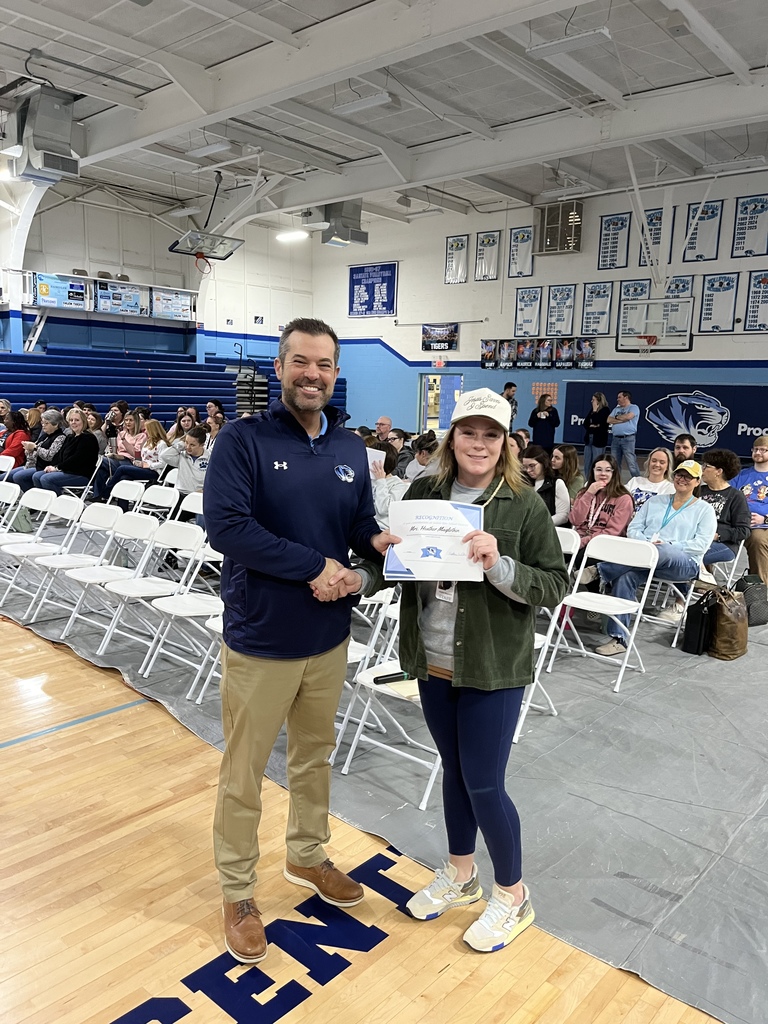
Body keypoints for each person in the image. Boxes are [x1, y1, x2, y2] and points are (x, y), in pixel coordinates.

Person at [334, 387, 568, 952]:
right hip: (432, 657)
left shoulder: (524, 504)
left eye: (492, 435)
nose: (479, 443)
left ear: (506, 443)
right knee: (455, 772)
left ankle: (513, 896)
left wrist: (501, 563)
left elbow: (555, 585)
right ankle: (462, 876)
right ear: (452, 437)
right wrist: (364, 575)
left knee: (486, 782)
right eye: (469, 432)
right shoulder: (423, 493)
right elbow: (395, 564)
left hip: (492, 665)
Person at [202, 317, 394, 966]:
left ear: (336, 373)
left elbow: (361, 523)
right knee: (244, 772)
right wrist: (313, 567)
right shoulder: (242, 440)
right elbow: (226, 528)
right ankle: (237, 892)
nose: (313, 374)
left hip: (328, 637)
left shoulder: (348, 447)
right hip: (261, 639)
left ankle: (307, 858)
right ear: (280, 367)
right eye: (301, 362)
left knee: (314, 758)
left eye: (325, 365)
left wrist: (380, 549)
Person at [596, 461, 717, 654]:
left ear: (697, 481)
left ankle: (600, 571)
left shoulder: (704, 510)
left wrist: (667, 546)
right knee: (626, 577)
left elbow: (701, 544)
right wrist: (647, 544)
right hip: (646, 559)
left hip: (684, 563)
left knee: (664, 551)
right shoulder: (655, 502)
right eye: (679, 474)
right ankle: (619, 639)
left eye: (687, 476)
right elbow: (634, 528)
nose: (682, 479)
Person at [569, 455, 634, 570]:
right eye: (599, 469)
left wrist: (584, 541)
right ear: (592, 471)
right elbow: (575, 520)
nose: (603, 474)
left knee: (582, 557)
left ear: (614, 474)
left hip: (605, 542)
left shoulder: (623, 498)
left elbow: (612, 532)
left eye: (608, 470)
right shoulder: (584, 493)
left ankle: (597, 587)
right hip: (579, 538)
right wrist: (589, 494)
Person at [699, 449, 751, 579]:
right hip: (696, 539)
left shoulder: (736, 496)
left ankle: (685, 594)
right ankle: (703, 583)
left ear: (719, 471)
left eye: (706, 466)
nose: (702, 469)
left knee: (691, 556)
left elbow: (743, 531)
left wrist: (717, 536)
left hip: (724, 544)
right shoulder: (698, 491)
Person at [32, 407, 100, 495]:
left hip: (81, 474)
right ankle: (43, 504)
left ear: (83, 421)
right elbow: (60, 456)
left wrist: (57, 468)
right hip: (66, 470)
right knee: (36, 476)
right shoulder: (70, 437)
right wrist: (52, 466)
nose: (73, 422)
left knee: (46, 479)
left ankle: (58, 505)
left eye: (77, 420)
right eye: (71, 420)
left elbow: (76, 459)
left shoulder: (88, 438)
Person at [103, 419, 169, 505]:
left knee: (122, 468)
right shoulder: (147, 442)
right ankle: (122, 508)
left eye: (147, 430)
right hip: (142, 467)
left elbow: (163, 463)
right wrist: (137, 461)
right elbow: (142, 456)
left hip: (154, 471)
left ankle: (107, 491)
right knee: (124, 478)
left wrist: (147, 465)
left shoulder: (162, 444)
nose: (145, 432)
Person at [732, 435, 768, 584]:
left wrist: (765, 519)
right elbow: (727, 496)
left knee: (759, 538)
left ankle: (761, 590)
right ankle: (705, 582)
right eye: (755, 449)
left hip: (763, 523)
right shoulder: (741, 475)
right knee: (708, 531)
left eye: (763, 450)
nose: (758, 453)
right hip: (743, 524)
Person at [12, 410, 67, 490]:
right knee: (5, 476)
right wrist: (29, 450)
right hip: (33, 464)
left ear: (56, 424)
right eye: (42, 423)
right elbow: (33, 454)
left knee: (18, 477)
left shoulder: (60, 437)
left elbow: (49, 456)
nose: (43, 426)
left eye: (46, 423)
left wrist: (35, 448)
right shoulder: (44, 436)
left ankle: (31, 497)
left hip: (45, 466)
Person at [521, 445, 570, 525]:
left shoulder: (557, 483)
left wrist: (539, 524)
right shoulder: (522, 482)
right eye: (525, 467)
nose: (528, 470)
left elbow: (563, 516)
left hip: (549, 529)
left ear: (543, 463)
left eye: (532, 466)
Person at [369, 440, 409, 529]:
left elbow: (384, 509)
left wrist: (381, 481)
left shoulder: (398, 485)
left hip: (382, 530)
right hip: (364, 528)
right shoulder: (369, 481)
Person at [608, 390, 640, 477]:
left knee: (631, 462)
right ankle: (615, 483)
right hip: (615, 439)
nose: (617, 399)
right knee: (614, 463)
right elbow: (608, 420)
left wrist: (616, 418)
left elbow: (629, 417)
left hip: (628, 439)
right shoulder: (616, 409)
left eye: (619, 397)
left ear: (626, 397)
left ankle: (637, 481)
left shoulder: (634, 407)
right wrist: (622, 419)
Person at [582, 392, 610, 480]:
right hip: (589, 438)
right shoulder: (591, 410)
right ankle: (587, 480)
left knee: (597, 461)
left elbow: (601, 423)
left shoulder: (605, 410)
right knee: (587, 462)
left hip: (599, 439)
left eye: (593, 400)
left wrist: (595, 412)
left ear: (598, 400)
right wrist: (594, 425)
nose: (591, 401)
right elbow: (586, 423)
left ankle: (596, 479)